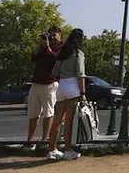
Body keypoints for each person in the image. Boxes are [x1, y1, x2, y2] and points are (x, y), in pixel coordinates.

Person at [47, 28, 86, 161]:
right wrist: (83, 93)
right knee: (68, 121)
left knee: (57, 120)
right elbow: (81, 74)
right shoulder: (78, 53)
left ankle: (52, 149)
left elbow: (55, 72)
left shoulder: (62, 53)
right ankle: (68, 149)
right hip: (72, 86)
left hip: (61, 85)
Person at [27, 26, 63, 148]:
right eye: (50, 35)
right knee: (33, 113)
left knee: (48, 112)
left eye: (54, 35)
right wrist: (39, 46)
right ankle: (30, 140)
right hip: (36, 83)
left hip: (50, 83)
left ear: (60, 35)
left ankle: (45, 139)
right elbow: (33, 58)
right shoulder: (42, 48)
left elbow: (56, 59)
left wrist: (47, 47)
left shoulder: (61, 47)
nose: (51, 37)